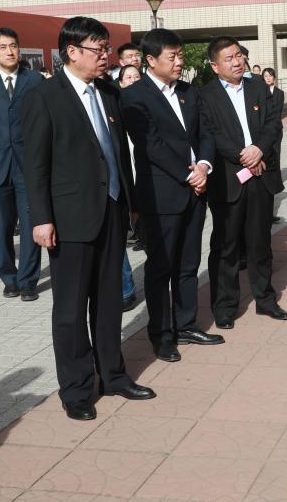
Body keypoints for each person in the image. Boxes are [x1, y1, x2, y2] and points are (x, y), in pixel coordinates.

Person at [22, 16, 154, 421]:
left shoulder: (108, 92)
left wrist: (129, 201)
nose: (105, 56)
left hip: (111, 209)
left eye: (106, 48)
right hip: (69, 217)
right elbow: (35, 165)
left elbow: (117, 152)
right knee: (70, 309)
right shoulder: (44, 96)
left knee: (110, 301)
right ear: (72, 52)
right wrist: (41, 218)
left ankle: (113, 375)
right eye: (98, 49)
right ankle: (77, 389)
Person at [122, 28, 224, 363]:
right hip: (162, 195)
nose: (179, 62)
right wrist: (187, 173)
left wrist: (204, 166)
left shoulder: (188, 91)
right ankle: (162, 334)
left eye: (180, 55)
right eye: (173, 56)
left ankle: (186, 324)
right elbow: (150, 145)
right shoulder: (134, 96)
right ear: (151, 60)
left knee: (188, 263)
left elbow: (205, 131)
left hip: (196, 190)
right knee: (160, 268)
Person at [201, 39, 287, 329]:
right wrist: (244, 155)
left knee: (260, 242)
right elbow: (211, 134)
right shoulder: (206, 96)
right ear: (215, 66)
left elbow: (273, 123)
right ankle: (225, 306)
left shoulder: (257, 87)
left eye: (239, 55)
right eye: (229, 58)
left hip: (260, 176)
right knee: (226, 245)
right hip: (228, 180)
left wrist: (259, 149)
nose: (237, 62)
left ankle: (266, 299)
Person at [0, 27, 44, 301]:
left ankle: (28, 281)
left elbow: (42, 119)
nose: (9, 51)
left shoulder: (34, 79)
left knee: (30, 223)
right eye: (3, 47)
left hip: (29, 164)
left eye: (13, 45)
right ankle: (9, 278)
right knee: (0, 227)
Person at [117, 63, 143, 313]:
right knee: (119, 237)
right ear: (121, 83)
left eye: (137, 77)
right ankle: (125, 289)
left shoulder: (151, 105)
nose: (133, 81)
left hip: (147, 183)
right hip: (125, 182)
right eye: (128, 78)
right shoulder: (114, 108)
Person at [262, 68, 284, 223]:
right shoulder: (260, 92)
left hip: (275, 130)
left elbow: (276, 111)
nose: (268, 78)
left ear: (274, 78)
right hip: (262, 133)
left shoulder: (279, 93)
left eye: (270, 76)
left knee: (275, 159)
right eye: (265, 76)